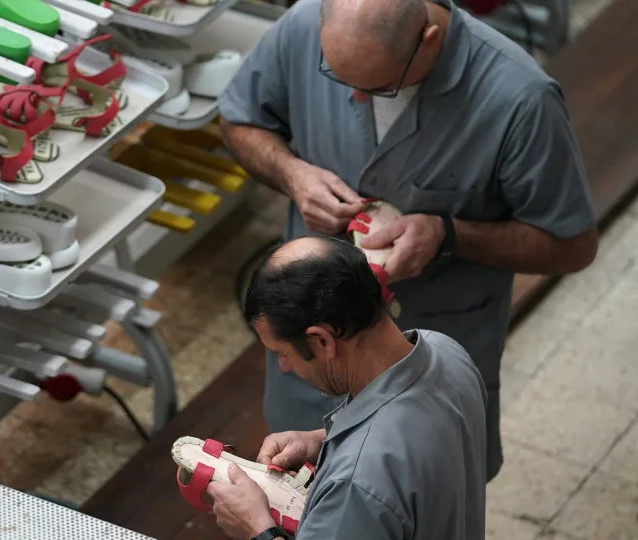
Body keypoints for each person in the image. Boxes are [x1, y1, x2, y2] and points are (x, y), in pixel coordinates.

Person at [217, 0, 599, 481]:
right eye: (336, 79)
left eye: (377, 88)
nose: (355, 100)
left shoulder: (521, 99)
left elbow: (572, 244)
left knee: (423, 496)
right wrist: (291, 173)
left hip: (431, 362)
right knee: (299, 484)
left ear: (429, 40)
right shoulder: (305, 22)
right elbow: (238, 121)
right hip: (312, 355)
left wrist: (449, 234)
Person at [206, 236, 487, 540]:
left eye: (282, 353)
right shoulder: (443, 349)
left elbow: (374, 467)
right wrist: (324, 441)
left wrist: (257, 529)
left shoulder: (355, 485)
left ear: (322, 341)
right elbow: (413, 436)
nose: (284, 367)